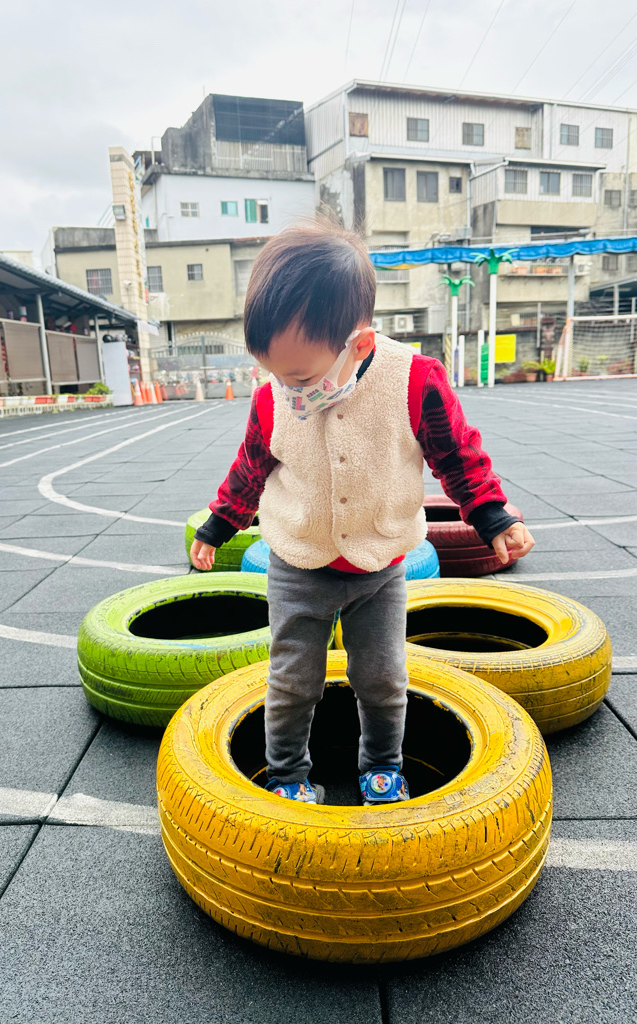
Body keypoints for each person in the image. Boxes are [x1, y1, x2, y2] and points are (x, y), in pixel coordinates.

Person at [189, 217, 534, 807]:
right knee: (292, 680)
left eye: (299, 376)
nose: (286, 388)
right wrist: (220, 524)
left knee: (382, 677)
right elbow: (251, 465)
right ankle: (287, 773)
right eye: (273, 373)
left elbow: (457, 454)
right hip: (298, 562)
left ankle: (382, 766)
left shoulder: (415, 381)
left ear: (360, 345)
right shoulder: (273, 395)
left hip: (380, 564)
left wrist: (493, 516)